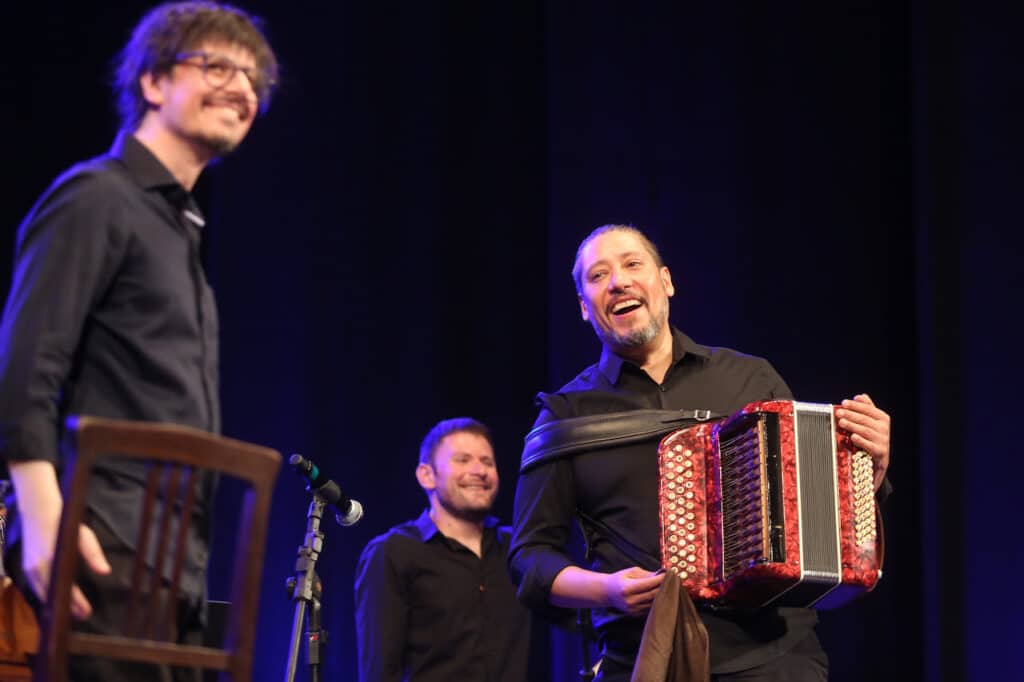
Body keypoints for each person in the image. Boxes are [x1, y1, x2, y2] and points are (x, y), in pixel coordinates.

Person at [0, 2, 278, 679]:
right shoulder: (96, 197)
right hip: (103, 538)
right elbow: (26, 365)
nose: (241, 88)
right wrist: (43, 521)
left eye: (253, 79)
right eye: (217, 65)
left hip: (173, 556)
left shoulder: (177, 228)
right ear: (153, 83)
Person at [509, 224, 892, 681]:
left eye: (633, 264)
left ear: (666, 281)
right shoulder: (565, 416)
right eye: (597, 275)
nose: (618, 282)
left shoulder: (751, 379)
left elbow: (817, 515)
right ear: (584, 309)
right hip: (646, 659)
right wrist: (605, 590)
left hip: (774, 657)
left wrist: (867, 467)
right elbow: (529, 558)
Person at [354, 417, 533, 682]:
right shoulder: (393, 552)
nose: (479, 471)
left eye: (487, 462)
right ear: (427, 476)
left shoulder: (516, 548)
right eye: (463, 460)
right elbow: (379, 671)